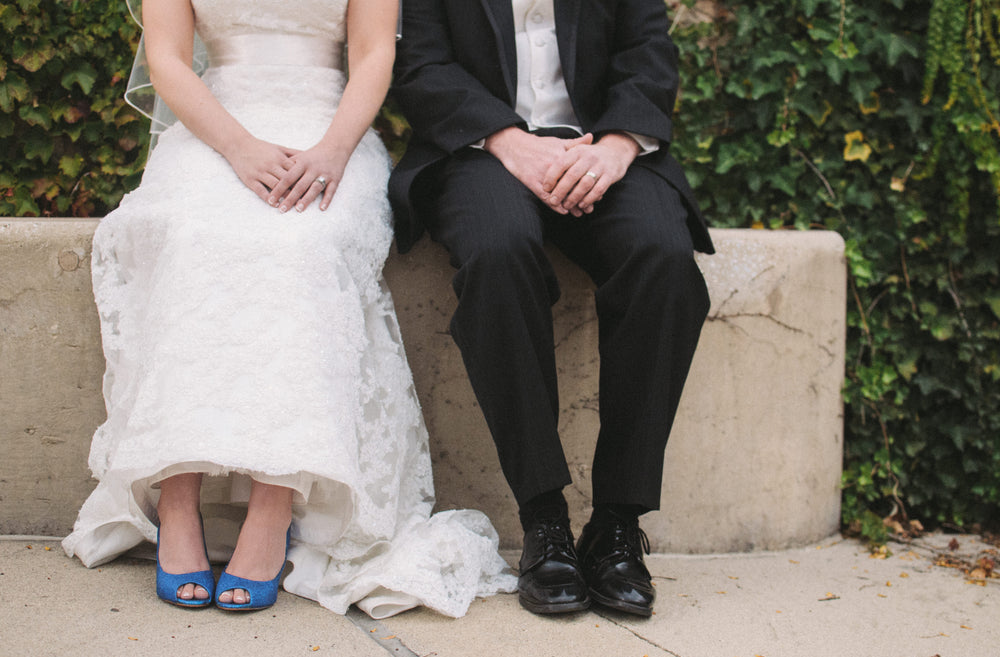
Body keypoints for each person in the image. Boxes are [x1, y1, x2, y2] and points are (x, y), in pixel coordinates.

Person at [62, 0, 516, 618]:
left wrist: (332, 150)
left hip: (329, 132)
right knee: (192, 236)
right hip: (213, 131)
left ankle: (273, 509)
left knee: (303, 244)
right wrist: (239, 147)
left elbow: (375, 54)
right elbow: (167, 59)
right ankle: (176, 499)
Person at [388, 0, 714, 616]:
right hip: (480, 152)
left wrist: (617, 147)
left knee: (664, 261)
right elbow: (421, 67)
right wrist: (509, 142)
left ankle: (617, 526)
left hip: (600, 150)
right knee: (497, 253)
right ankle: (544, 520)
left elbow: (647, 53)